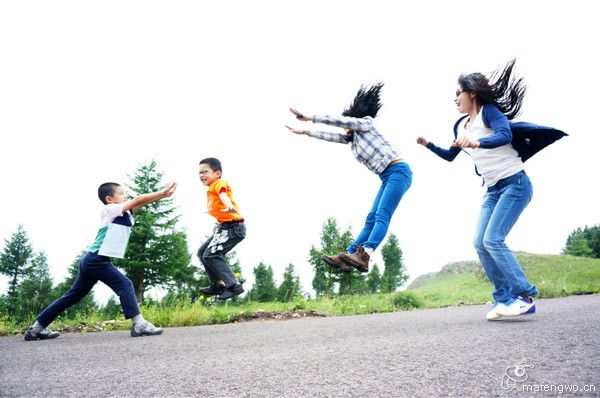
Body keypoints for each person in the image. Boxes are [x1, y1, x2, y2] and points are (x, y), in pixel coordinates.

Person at [417, 59, 540, 320]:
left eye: (458, 92)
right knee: (480, 243)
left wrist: (477, 142)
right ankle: (505, 299)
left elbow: (505, 135)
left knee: (493, 239)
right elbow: (451, 156)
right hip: (493, 189)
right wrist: (428, 144)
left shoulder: (489, 112)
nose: (455, 98)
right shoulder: (460, 126)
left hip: (515, 183)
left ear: (471, 92)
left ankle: (525, 297)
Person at [25, 181, 177, 340]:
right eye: (121, 193)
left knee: (72, 296)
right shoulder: (110, 210)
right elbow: (138, 199)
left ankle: (37, 329)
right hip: (97, 259)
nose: (125, 195)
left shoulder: (124, 212)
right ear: (109, 199)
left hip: (93, 259)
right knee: (125, 284)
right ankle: (139, 324)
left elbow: (141, 202)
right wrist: (162, 192)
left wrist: (162, 196)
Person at [286, 83, 412, 273]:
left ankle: (365, 254)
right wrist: (305, 131)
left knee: (382, 215)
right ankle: (349, 255)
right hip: (387, 177)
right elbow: (329, 136)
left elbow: (336, 122)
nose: (344, 128)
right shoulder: (352, 140)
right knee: (371, 219)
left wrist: (309, 118)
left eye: (346, 124)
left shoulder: (365, 124)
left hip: (399, 171)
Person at [197, 157, 246, 300]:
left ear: (217, 173)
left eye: (205, 172)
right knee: (202, 253)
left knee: (212, 255)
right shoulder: (211, 188)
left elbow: (224, 195)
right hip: (224, 228)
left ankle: (233, 286)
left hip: (233, 227)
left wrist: (229, 206)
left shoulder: (219, 183)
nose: (201, 176)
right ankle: (218, 284)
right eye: (199, 173)